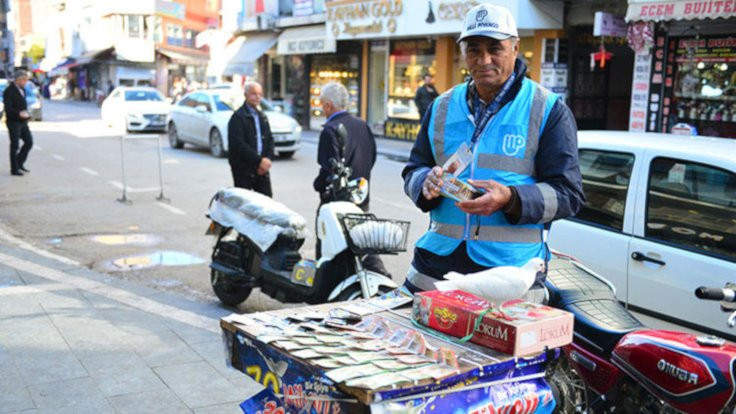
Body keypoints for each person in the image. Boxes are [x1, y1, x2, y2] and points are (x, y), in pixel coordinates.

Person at [401, 4, 585, 297]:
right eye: (473, 49)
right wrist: (424, 182)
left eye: (494, 48)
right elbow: (413, 169)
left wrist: (511, 199)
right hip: (435, 268)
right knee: (412, 340)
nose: (484, 59)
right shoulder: (442, 106)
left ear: (515, 48)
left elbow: (569, 194)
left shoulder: (547, 109)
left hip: (509, 276)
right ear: (462, 52)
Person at [313, 82, 389, 276]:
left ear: (329, 105)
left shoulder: (330, 129)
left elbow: (329, 170)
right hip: (361, 198)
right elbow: (371, 158)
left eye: (322, 104)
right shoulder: (362, 125)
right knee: (361, 243)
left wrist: (319, 185)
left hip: (337, 202)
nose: (322, 108)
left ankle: (327, 295)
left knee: (329, 251)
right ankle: (377, 278)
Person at [227, 81, 275, 196]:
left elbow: (269, 140)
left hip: (262, 169)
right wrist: (259, 161)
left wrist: (267, 159)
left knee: (267, 203)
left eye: (260, 94)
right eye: (254, 93)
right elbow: (238, 145)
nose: (257, 97)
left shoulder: (262, 116)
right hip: (244, 169)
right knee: (245, 204)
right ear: (246, 95)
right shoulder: (238, 117)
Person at [3, 69, 34, 176]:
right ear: (17, 80)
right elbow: (8, 108)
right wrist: (19, 113)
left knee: (29, 142)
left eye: (26, 80)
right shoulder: (9, 91)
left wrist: (26, 114)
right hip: (13, 122)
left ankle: (19, 163)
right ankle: (14, 169)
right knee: (15, 145)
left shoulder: (23, 90)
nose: (25, 82)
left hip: (23, 121)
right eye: (24, 80)